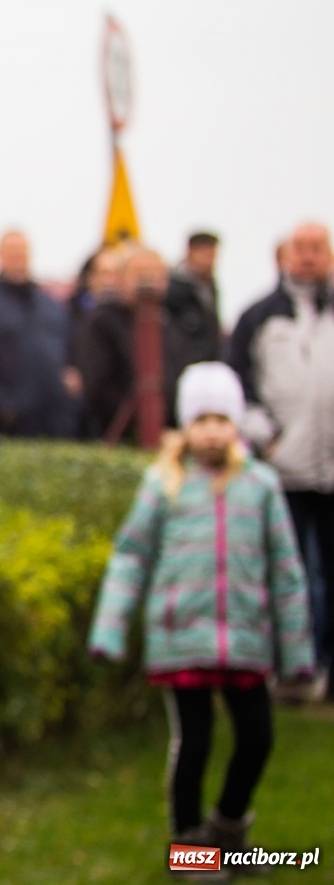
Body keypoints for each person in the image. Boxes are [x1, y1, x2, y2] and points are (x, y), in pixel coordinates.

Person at [89, 362, 313, 865]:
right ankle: (191, 854)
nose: (212, 430)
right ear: (186, 425)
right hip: (182, 638)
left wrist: (297, 653)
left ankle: (228, 832)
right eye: (202, 418)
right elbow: (131, 554)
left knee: (257, 739)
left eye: (222, 418)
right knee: (194, 743)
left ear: (236, 424)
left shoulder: (261, 485)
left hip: (245, 637)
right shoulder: (163, 483)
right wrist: (110, 627)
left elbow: (286, 571)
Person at [228, 221, 334, 695]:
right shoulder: (259, 315)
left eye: (318, 248)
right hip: (283, 470)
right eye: (300, 248)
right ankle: (292, 666)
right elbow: (239, 382)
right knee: (290, 572)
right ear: (285, 255)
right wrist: (264, 436)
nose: (308, 257)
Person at [0, 230, 76, 441]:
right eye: (12, 252)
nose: (18, 258)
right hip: (5, 426)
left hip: (53, 422)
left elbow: (68, 351)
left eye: (22, 252)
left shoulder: (50, 305)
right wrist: (1, 407)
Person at [73, 245, 187, 444]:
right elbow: (98, 386)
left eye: (156, 273)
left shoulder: (168, 323)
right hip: (116, 436)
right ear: (120, 278)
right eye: (140, 273)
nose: (148, 280)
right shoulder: (103, 321)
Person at [167, 231, 223, 371]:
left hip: (208, 366)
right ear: (190, 252)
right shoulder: (173, 290)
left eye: (213, 255)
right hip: (184, 367)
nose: (210, 260)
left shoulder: (209, 287)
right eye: (205, 254)